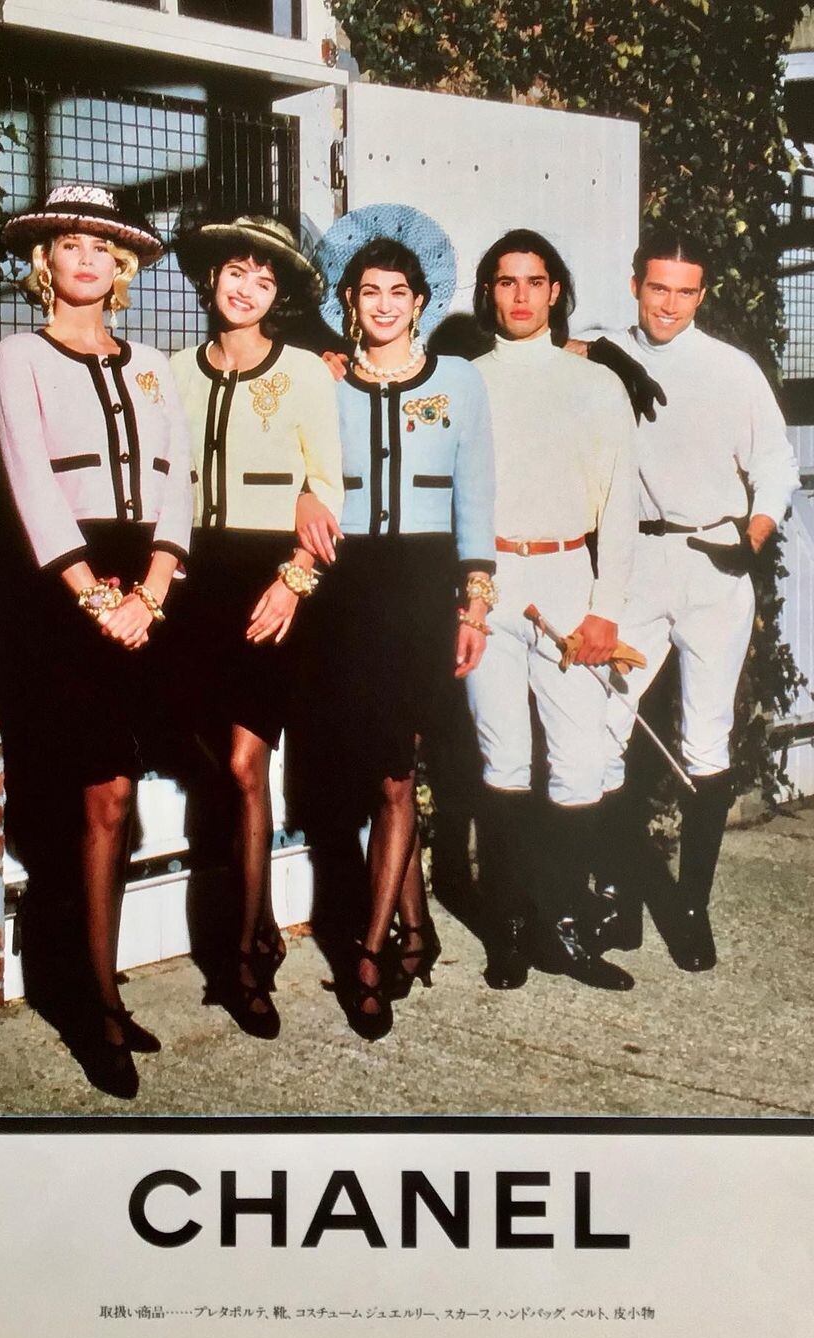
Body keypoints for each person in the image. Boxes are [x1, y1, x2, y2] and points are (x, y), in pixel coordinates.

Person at [0, 184, 194, 1099]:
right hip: (60, 592)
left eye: (103, 248)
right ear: (46, 263)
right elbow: (29, 482)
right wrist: (93, 596)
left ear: (123, 268)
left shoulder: (151, 364)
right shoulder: (17, 355)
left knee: (118, 796)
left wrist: (152, 590)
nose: (86, 259)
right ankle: (88, 1002)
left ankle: (99, 988)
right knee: (80, 796)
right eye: (70, 244)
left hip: (144, 590)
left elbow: (177, 482)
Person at [575, 226, 801, 971]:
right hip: (634, 563)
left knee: (705, 740)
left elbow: (776, 464)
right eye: (657, 289)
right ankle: (620, 904)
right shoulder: (604, 350)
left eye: (684, 292)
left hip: (714, 564)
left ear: (702, 295)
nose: (669, 305)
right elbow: (527, 349)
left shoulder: (732, 369)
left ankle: (692, 910)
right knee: (599, 731)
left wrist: (754, 535)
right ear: (635, 285)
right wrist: (603, 353)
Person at [296, 203, 496, 1039]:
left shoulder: (459, 382)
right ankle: (418, 929)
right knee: (370, 770)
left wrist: (475, 601)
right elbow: (302, 471)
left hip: (421, 589)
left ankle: (370, 957)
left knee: (395, 774)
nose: (383, 305)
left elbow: (476, 494)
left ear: (420, 302)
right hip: (344, 593)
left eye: (397, 293)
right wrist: (305, 500)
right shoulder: (323, 380)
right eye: (368, 291)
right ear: (349, 300)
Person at [169, 213, 343, 1039]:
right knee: (211, 765)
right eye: (235, 272)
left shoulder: (305, 372)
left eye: (265, 279)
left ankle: (244, 960)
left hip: (270, 582)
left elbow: (326, 488)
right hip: (191, 580)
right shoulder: (173, 370)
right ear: (211, 279)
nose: (246, 289)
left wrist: (295, 581)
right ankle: (257, 919)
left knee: (246, 766)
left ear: (280, 296)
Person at [466, 229, 640, 993]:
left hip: (569, 576)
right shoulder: (464, 382)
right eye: (506, 282)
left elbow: (622, 508)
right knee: (502, 762)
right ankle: (508, 930)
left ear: (556, 291)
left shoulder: (595, 384)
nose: (521, 296)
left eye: (534, 281)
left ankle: (561, 928)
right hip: (486, 583)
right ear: (489, 292)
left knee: (578, 764)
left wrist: (605, 611)